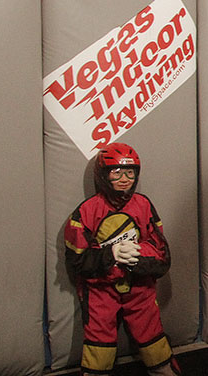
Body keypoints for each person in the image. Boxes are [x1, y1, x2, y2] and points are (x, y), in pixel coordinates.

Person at [64, 142, 180, 376]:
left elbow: (163, 256)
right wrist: (111, 254)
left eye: (130, 172)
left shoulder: (144, 205)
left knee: (155, 345)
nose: (125, 178)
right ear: (103, 174)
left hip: (140, 289)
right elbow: (76, 260)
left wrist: (138, 255)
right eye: (116, 172)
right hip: (100, 291)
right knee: (99, 349)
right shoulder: (86, 211)